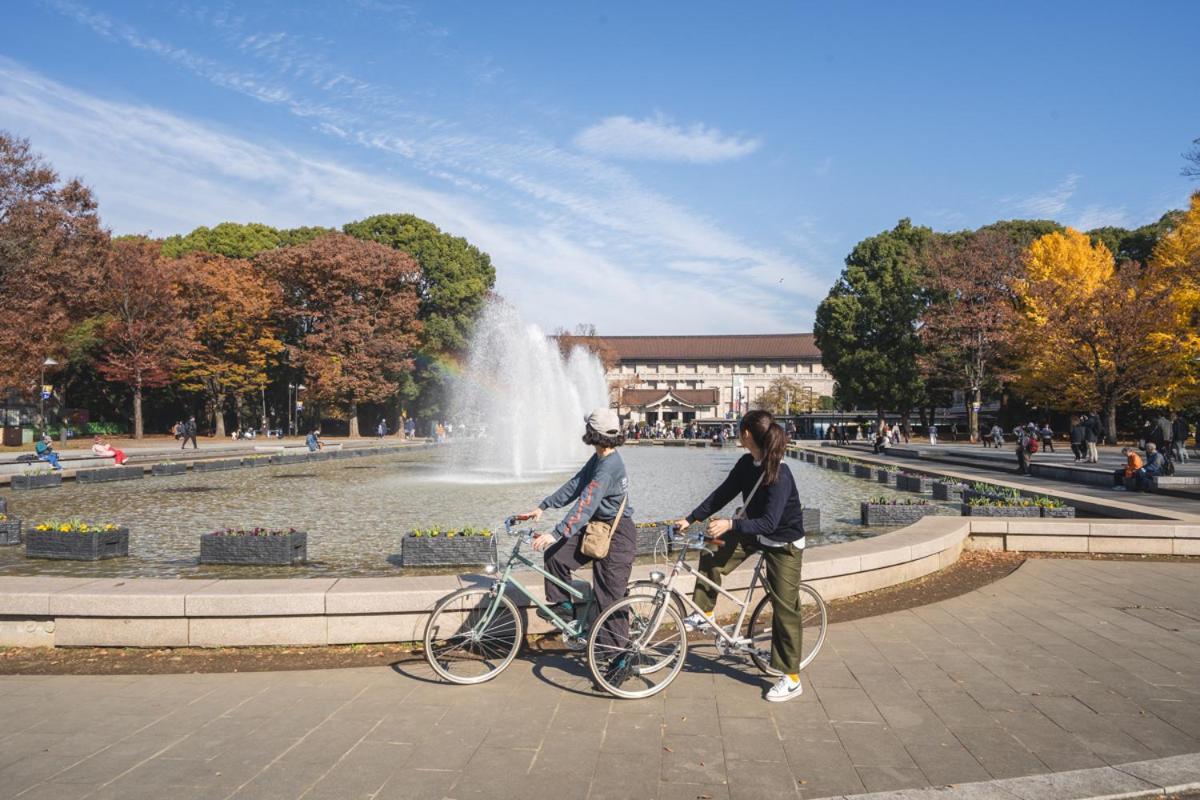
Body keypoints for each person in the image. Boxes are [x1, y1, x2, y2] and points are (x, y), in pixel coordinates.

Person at [670, 409, 806, 702]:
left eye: (739, 428)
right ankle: (705, 611)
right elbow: (723, 494)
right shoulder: (747, 463)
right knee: (712, 545)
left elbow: (771, 522)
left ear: (747, 434)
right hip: (753, 532)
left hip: (783, 543)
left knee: (785, 608)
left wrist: (731, 523)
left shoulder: (780, 474)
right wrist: (690, 518)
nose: (736, 433)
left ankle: (792, 678)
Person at [518, 408, 635, 674]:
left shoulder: (609, 466)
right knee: (556, 556)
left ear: (593, 434)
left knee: (609, 598)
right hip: (596, 529)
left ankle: (621, 660)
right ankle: (566, 608)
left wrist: (557, 532)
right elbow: (576, 485)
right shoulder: (599, 458)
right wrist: (543, 507)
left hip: (616, 536)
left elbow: (586, 503)